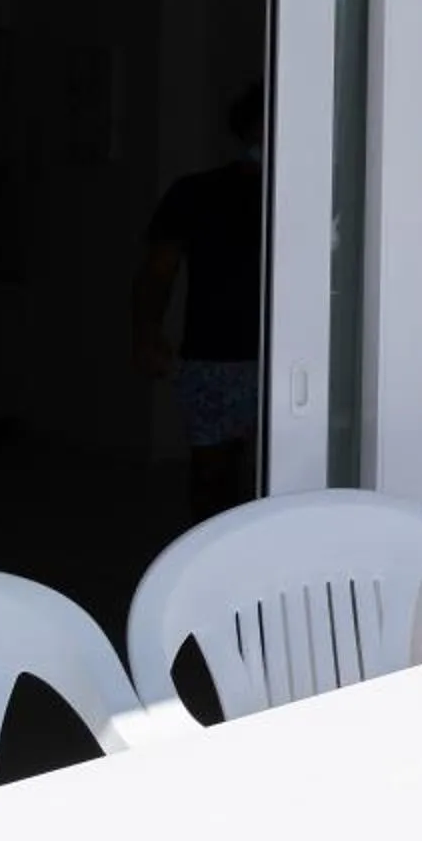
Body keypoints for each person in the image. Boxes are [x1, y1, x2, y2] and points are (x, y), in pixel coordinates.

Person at [132, 83, 266, 519]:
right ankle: (212, 575)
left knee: (282, 481)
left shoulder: (315, 195)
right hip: (214, 357)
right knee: (214, 481)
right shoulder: (196, 193)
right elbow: (158, 270)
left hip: (291, 358)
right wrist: (148, 333)